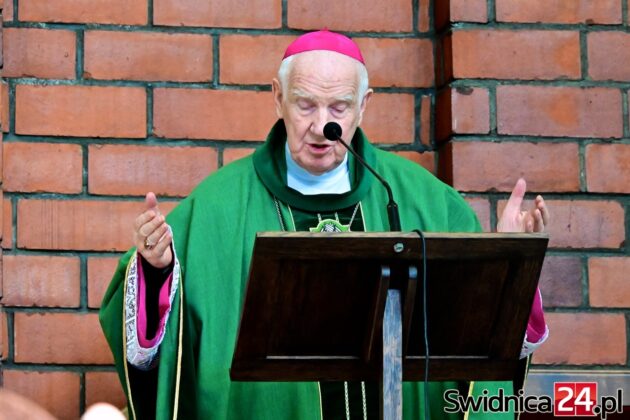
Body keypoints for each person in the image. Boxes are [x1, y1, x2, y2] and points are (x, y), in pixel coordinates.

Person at [100, 30, 550, 419]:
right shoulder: (216, 208)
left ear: (363, 106)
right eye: (305, 105)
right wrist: (156, 270)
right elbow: (156, 341)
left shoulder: (424, 202)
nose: (321, 126)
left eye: (339, 107)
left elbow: (484, 345)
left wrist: (513, 266)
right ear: (277, 97)